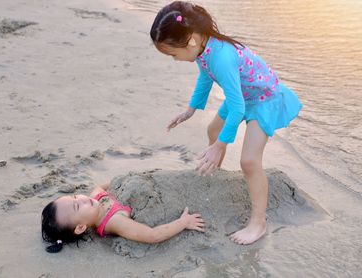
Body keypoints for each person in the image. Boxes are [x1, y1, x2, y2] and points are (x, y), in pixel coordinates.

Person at [150, 1, 302, 245]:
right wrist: (190, 110)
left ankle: (258, 222)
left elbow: (238, 107)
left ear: (189, 41)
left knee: (249, 161)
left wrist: (220, 146)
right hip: (244, 94)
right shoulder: (203, 49)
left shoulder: (221, 57)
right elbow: (205, 77)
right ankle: (216, 174)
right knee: (213, 129)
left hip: (262, 99)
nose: (174, 60)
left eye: (172, 54)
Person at [41, 182, 205, 253]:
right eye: (77, 206)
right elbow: (152, 235)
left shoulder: (95, 197)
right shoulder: (114, 222)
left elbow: (109, 184)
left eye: (75, 197)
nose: (82, 199)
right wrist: (183, 222)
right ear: (80, 227)